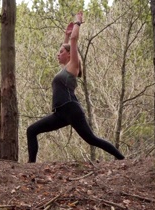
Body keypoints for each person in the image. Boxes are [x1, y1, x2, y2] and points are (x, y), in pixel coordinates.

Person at [26, 11, 125, 163]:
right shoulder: (65, 68)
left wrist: (77, 23)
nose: (57, 54)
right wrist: (66, 35)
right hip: (60, 114)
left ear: (69, 55)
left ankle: (121, 158)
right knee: (31, 130)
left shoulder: (73, 66)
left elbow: (73, 40)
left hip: (71, 110)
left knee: (92, 139)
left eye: (61, 52)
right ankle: (31, 165)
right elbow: (66, 44)